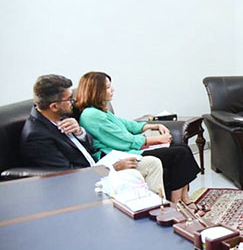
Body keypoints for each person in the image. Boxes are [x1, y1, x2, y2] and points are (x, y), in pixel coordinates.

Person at [75, 72, 202, 210]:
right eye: (107, 87)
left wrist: (153, 125)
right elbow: (124, 140)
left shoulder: (101, 110)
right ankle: (177, 204)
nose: (112, 90)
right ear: (96, 91)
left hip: (127, 151)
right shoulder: (91, 115)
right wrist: (156, 139)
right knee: (179, 153)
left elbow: (128, 124)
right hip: (122, 155)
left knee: (182, 148)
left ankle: (184, 199)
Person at [20, 74, 164, 193]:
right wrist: (111, 168)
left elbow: (89, 145)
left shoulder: (59, 114)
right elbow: (67, 175)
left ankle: (163, 212)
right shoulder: (36, 136)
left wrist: (80, 132)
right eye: (70, 99)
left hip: (99, 164)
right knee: (133, 174)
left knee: (153, 163)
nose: (74, 101)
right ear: (54, 106)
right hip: (89, 178)